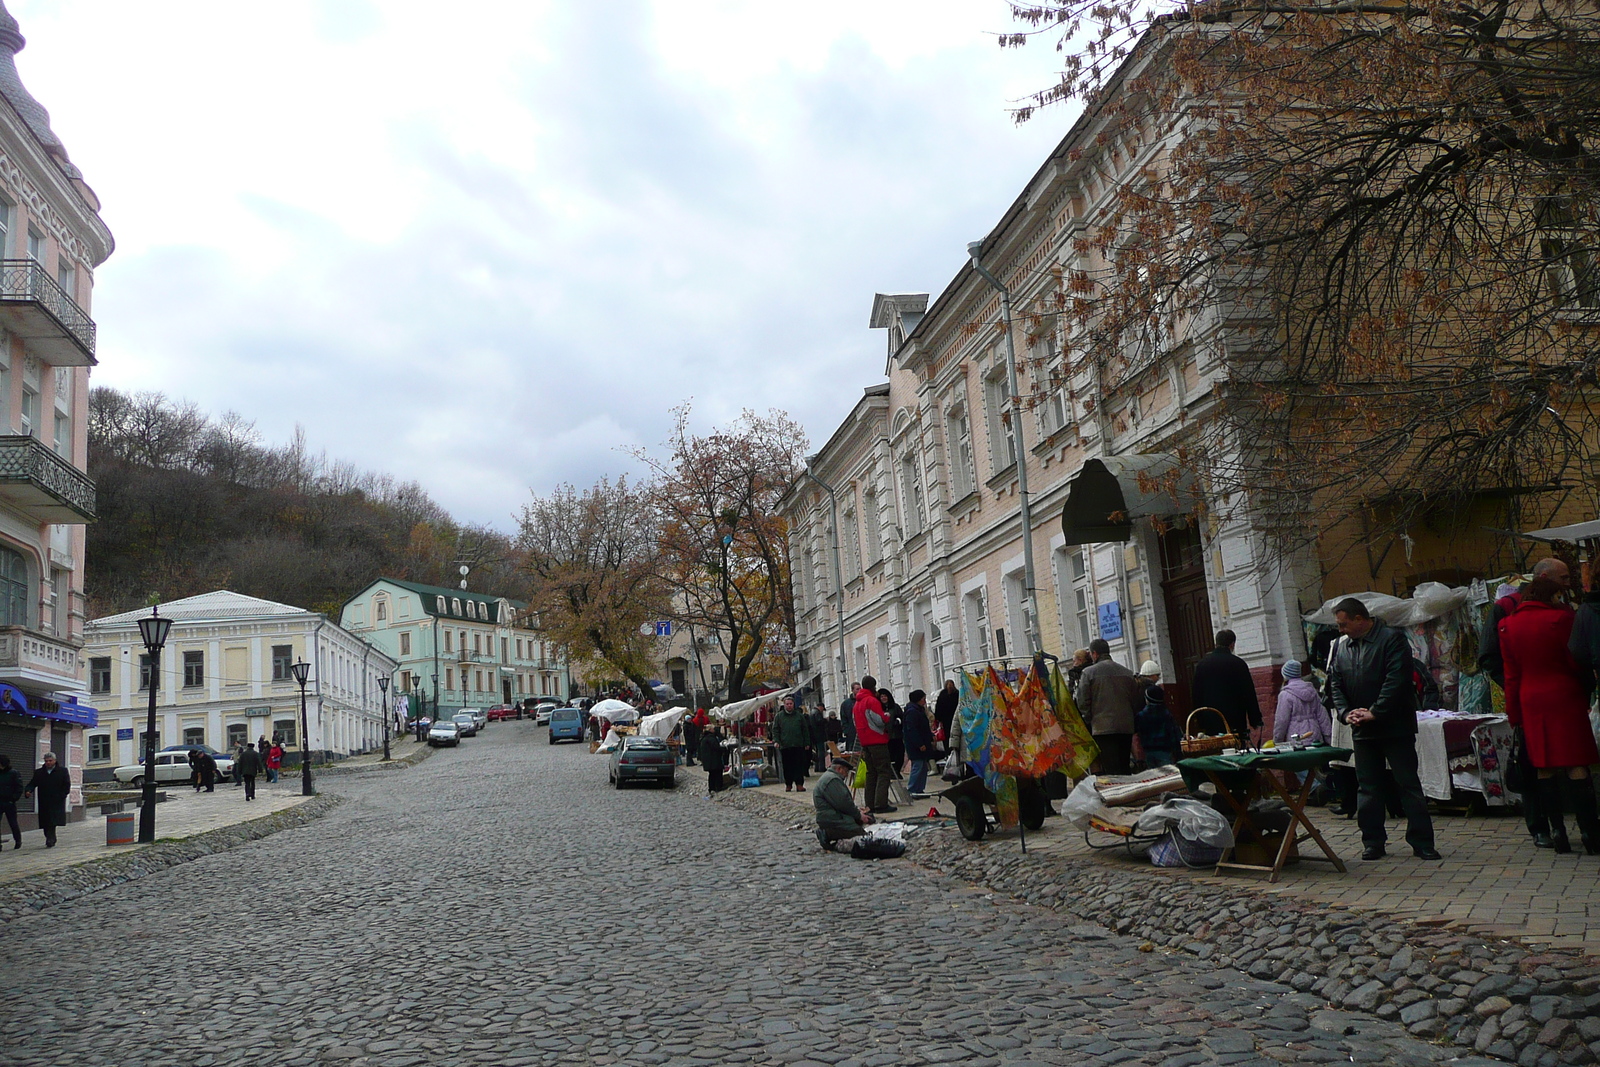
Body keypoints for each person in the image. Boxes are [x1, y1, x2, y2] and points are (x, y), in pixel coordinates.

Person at [1327, 597, 1439, 861]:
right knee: (1368, 788)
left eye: (1343, 624)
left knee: (1408, 785)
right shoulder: (1343, 647)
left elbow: (1397, 679)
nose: (1340, 629)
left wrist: (1376, 711)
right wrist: (1346, 713)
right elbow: (1335, 684)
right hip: (1362, 729)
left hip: (1394, 726)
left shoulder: (1391, 639)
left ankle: (1422, 841)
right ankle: (1373, 841)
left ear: (1359, 619)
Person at [1501, 572, 1600, 854]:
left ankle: (1557, 833)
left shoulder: (1508, 625)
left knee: (1544, 766)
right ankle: (1590, 832)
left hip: (1531, 699)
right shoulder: (1561, 619)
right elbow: (1575, 659)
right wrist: (1587, 687)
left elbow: (1511, 676)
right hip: (1564, 695)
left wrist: (1514, 715)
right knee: (1575, 762)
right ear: (1552, 596)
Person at [1076, 640, 1142, 775]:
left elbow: (1082, 701)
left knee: (1110, 769)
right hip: (1125, 726)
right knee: (1124, 766)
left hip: (1102, 728)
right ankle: (1129, 793)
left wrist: (1089, 719)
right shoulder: (1127, 673)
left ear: (1094, 654)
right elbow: (1135, 700)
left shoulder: (1088, 673)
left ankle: (1116, 794)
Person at [1191, 630, 1264, 742]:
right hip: (1235, 718)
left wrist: (1200, 720)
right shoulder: (1238, 663)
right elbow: (1248, 693)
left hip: (1211, 718)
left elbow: (1196, 694)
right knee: (1237, 749)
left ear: (1216, 643)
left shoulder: (1202, 664)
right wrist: (1255, 720)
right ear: (1232, 644)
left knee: (1215, 750)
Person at [1273, 660, 1331, 787]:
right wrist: (1328, 736)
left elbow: (1281, 720)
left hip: (1297, 736)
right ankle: (1321, 791)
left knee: (1298, 765)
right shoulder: (1312, 691)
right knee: (1315, 766)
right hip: (1314, 733)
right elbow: (1322, 715)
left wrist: (1277, 740)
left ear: (1286, 675)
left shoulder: (1285, 694)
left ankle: (1315, 788)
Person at [852, 676, 894, 813]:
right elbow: (880, 720)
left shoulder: (857, 704)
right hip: (877, 740)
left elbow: (855, 723)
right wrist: (887, 716)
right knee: (883, 771)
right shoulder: (871, 701)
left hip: (865, 742)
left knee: (871, 773)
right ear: (873, 686)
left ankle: (869, 804)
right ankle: (880, 804)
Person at [812, 755, 872, 851]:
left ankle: (830, 834)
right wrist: (859, 815)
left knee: (858, 829)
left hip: (831, 817)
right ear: (839, 769)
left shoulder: (829, 777)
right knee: (861, 835)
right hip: (833, 819)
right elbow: (844, 803)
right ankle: (828, 834)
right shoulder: (832, 780)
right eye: (846, 772)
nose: (846, 775)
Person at [23, 751, 71, 848]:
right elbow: (33, 783)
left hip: (56, 800)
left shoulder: (62, 771)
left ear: (55, 761)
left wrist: (62, 795)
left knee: (52, 821)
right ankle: (49, 837)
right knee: (45, 821)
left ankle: (51, 838)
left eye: (50, 761)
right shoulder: (39, 773)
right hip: (44, 800)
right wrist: (28, 790)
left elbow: (66, 785)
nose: (48, 763)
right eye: (46, 761)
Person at [771, 694, 813, 792]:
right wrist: (777, 741)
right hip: (785, 745)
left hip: (798, 744)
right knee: (787, 766)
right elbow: (775, 730)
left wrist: (807, 742)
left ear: (793, 704)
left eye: (790, 704)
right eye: (787, 704)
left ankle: (799, 784)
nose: (789, 705)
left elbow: (805, 730)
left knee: (799, 765)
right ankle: (788, 784)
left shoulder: (799, 716)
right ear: (784, 705)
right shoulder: (779, 716)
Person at [1135, 685, 1181, 768]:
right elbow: (1174, 733)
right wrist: (1177, 751)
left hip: (1148, 751)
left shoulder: (1141, 716)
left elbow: (1138, 733)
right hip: (1165, 750)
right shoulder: (1167, 714)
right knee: (1168, 775)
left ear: (1147, 699)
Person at [902, 689, 936, 797]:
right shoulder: (912, 712)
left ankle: (919, 789)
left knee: (923, 767)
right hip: (916, 745)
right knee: (918, 765)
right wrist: (919, 744)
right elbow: (912, 730)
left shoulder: (918, 710)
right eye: (923, 699)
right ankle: (912, 788)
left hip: (922, 742)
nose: (925, 701)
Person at [879, 689, 905, 772]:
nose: (883, 698)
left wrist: (897, 722)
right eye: (881, 696)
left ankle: (897, 770)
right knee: (890, 755)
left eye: (885, 696)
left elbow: (901, 717)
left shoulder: (895, 707)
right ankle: (892, 771)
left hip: (896, 735)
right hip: (885, 736)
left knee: (900, 754)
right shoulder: (879, 708)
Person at [0, 754, 22, 850]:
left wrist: (14, 798)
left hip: (9, 802)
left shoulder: (13, 773)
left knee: (13, 822)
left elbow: (19, 787)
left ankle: (18, 840)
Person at [699, 725, 727, 794]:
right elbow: (716, 748)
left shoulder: (704, 738)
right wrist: (723, 749)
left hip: (708, 760)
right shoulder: (711, 738)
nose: (714, 730)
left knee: (712, 774)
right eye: (713, 729)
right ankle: (718, 787)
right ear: (710, 730)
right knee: (717, 773)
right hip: (713, 759)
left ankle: (712, 788)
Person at [933, 680, 958, 756]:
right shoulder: (957, 694)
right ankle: (956, 751)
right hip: (956, 720)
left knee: (947, 739)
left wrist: (938, 719)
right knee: (956, 736)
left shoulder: (942, 695)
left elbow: (938, 709)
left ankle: (949, 754)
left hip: (945, 722)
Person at [808, 702, 828, 773]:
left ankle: (817, 767)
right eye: (822, 709)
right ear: (821, 707)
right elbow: (819, 722)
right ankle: (821, 767)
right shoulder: (817, 713)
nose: (822, 710)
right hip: (819, 735)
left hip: (814, 735)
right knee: (821, 751)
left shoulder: (812, 712)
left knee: (817, 752)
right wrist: (825, 720)